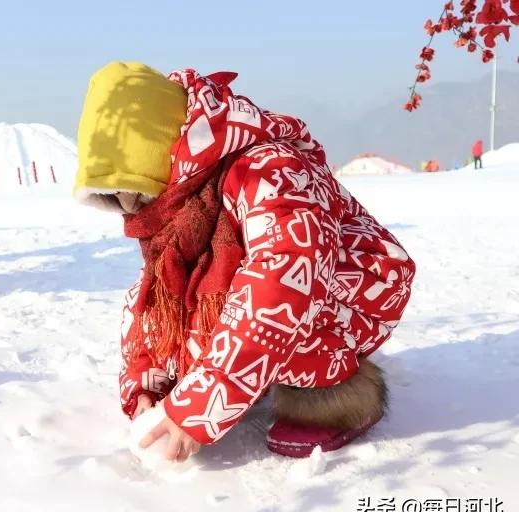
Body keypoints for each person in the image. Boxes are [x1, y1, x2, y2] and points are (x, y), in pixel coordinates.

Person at [74, 62, 416, 461]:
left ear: (170, 153)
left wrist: (199, 405)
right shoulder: (178, 204)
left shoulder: (272, 171)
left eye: (136, 189)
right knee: (194, 297)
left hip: (352, 287)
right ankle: (248, 376)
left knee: (288, 309)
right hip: (283, 287)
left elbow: (281, 284)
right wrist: (149, 385)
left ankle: (339, 396)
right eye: (116, 196)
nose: (132, 208)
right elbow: (156, 295)